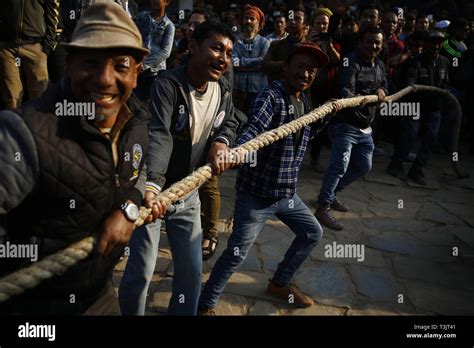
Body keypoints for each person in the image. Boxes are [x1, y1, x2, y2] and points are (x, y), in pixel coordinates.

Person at [0, 1, 151, 315]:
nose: (104, 79)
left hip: (99, 297)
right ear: (69, 64)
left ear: (137, 73)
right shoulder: (22, 135)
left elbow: (139, 170)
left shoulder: (135, 120)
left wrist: (129, 207)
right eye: (90, 63)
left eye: (120, 65)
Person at [197, 43, 332, 315]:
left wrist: (327, 114)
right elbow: (255, 129)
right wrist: (238, 151)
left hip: (286, 194)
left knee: (311, 233)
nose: (306, 74)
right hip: (256, 195)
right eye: (301, 67)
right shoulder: (269, 96)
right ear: (285, 67)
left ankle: (279, 283)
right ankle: (204, 305)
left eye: (312, 70)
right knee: (237, 254)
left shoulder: (304, 100)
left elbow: (302, 136)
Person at [119, 21, 242, 316]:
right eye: (216, 48)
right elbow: (159, 135)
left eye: (228, 52)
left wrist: (222, 141)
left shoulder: (222, 87)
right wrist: (151, 187)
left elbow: (232, 119)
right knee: (142, 270)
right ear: (193, 46)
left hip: (188, 194)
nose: (223, 58)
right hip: (152, 191)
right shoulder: (167, 85)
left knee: (190, 273)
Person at [314, 27, 387, 231]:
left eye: (377, 43)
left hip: (365, 127)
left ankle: (331, 194)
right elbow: (345, 89)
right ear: (360, 42)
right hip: (344, 124)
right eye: (369, 41)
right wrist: (362, 100)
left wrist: (381, 90)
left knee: (364, 166)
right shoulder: (350, 61)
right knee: (339, 166)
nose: (373, 46)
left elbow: (384, 84)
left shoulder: (379, 64)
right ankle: (323, 207)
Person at [387, 31, 450, 185]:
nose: (436, 46)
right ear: (425, 43)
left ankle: (417, 169)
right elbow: (410, 82)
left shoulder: (444, 62)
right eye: (432, 42)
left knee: (431, 138)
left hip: (434, 108)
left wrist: (444, 94)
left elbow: (445, 83)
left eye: (439, 42)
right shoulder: (415, 60)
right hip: (414, 105)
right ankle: (396, 164)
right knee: (410, 134)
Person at [0, 0, 60, 109]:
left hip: (35, 46)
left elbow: (53, 10)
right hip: (6, 47)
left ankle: (37, 125)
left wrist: (47, 46)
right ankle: (14, 125)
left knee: (40, 96)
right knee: (11, 98)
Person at [134, 0, 175, 103]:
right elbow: (134, 36)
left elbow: (165, 52)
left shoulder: (169, 25)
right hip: (137, 69)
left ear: (166, 2)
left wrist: (144, 65)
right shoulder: (142, 17)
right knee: (134, 102)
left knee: (151, 105)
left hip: (155, 72)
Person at [232, 4, 270, 114]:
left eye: (252, 19)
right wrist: (256, 62)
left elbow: (264, 63)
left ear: (258, 23)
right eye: (246, 18)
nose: (248, 21)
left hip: (259, 89)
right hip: (238, 89)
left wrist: (242, 63)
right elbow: (233, 62)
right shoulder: (235, 41)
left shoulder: (264, 42)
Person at [262, 6, 310, 83]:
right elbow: (265, 65)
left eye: (297, 19)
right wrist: (286, 64)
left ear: (305, 24)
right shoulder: (276, 45)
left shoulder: (310, 47)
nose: (293, 22)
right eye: (290, 19)